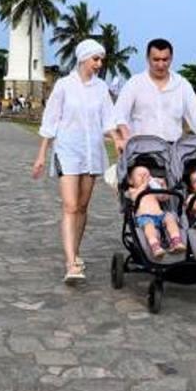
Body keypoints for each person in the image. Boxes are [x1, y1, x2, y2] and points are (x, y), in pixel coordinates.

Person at [33, 39, 124, 283]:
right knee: (70, 205)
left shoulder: (101, 88)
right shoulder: (63, 86)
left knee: (82, 207)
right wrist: (42, 154)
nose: (99, 64)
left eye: (101, 60)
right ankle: (71, 262)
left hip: (92, 152)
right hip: (67, 151)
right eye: (96, 59)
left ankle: (76, 250)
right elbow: (50, 121)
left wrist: (116, 138)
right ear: (83, 58)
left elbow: (108, 120)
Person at [114, 38, 196, 148]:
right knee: (141, 167)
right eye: (156, 60)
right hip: (141, 148)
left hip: (173, 149)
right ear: (147, 59)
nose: (161, 65)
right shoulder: (135, 83)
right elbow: (119, 115)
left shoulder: (182, 85)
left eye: (165, 60)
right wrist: (125, 136)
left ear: (171, 59)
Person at [126, 165, 186, 258]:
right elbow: (135, 197)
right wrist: (144, 184)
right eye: (140, 175)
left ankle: (176, 241)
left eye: (147, 175)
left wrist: (163, 185)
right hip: (144, 217)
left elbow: (164, 197)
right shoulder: (132, 190)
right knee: (149, 226)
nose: (144, 177)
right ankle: (155, 246)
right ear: (131, 180)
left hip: (159, 215)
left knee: (170, 218)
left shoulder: (152, 190)